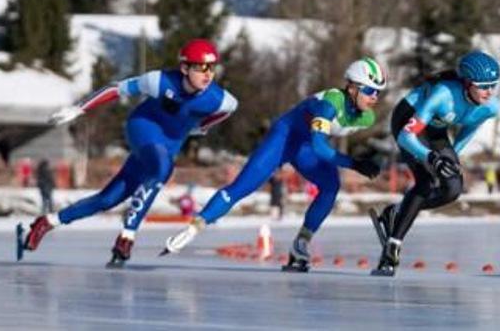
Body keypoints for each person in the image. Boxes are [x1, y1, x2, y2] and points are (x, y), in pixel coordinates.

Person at [20, 39, 237, 267]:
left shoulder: (219, 99)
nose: (208, 74)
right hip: (143, 128)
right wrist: (79, 108)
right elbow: (116, 89)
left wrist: (202, 126)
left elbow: (229, 110)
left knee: (108, 199)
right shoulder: (159, 81)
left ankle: (46, 222)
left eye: (211, 67)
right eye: (201, 67)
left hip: (170, 143)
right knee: (163, 168)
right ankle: (127, 236)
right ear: (184, 68)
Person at [161, 57, 388, 272]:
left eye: (377, 92)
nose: (374, 97)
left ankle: (301, 243)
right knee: (241, 188)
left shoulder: (365, 118)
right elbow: (320, 147)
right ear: (352, 87)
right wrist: (354, 163)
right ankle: (193, 228)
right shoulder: (330, 103)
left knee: (331, 186)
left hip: (305, 147)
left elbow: (318, 145)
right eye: (369, 90)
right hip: (284, 138)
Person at [368, 50, 500, 277]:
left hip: (436, 130)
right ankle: (393, 247)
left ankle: (396, 213)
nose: (489, 91)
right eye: (483, 86)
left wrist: (452, 158)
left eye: (493, 85)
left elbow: (470, 126)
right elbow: (405, 137)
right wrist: (432, 158)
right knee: (426, 182)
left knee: (453, 188)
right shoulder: (443, 95)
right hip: (409, 119)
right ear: (467, 83)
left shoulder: (491, 106)